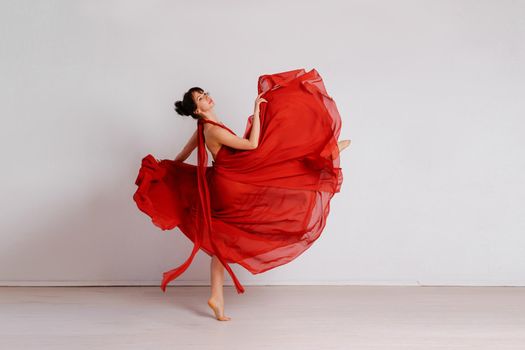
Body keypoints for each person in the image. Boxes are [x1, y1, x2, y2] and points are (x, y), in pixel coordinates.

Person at [133, 68, 351, 321]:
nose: (207, 97)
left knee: (220, 242)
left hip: (227, 179)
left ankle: (216, 297)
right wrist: (257, 111)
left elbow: (183, 154)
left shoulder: (206, 126)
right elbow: (251, 145)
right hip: (231, 182)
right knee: (273, 175)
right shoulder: (213, 131)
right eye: (201, 98)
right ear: (197, 110)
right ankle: (323, 156)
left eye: (204, 93)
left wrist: (168, 166)